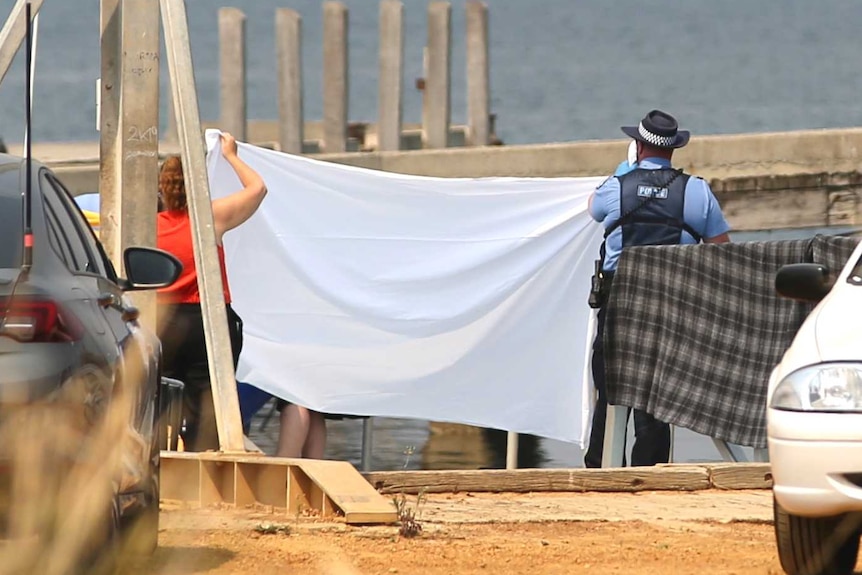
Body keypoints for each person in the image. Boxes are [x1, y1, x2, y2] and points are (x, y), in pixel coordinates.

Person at [584, 109, 731, 468]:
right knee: (656, 393)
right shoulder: (696, 191)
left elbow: (593, 209)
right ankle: (650, 470)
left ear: (638, 146)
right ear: (673, 149)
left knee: (609, 390)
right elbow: (723, 250)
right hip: (668, 306)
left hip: (620, 305)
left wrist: (624, 171)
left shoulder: (616, 188)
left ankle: (602, 467)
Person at [157, 132, 267, 452]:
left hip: (164, 321)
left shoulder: (148, 226)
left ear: (162, 188)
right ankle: (200, 462)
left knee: (162, 397)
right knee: (208, 402)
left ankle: (163, 458)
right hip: (206, 320)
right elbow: (258, 188)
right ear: (195, 186)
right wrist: (231, 156)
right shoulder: (209, 218)